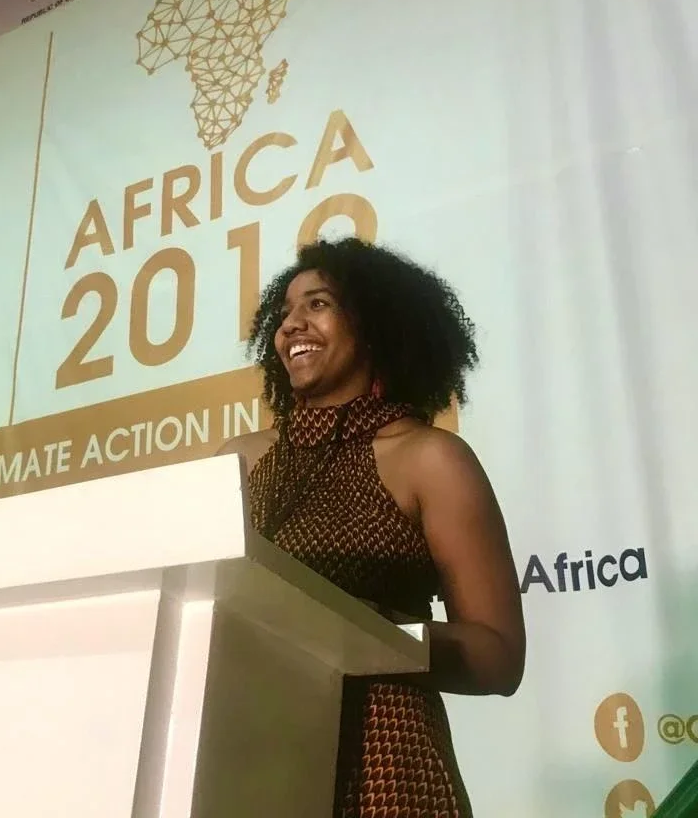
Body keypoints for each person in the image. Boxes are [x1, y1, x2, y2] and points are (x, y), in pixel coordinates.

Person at [216, 236, 525, 818]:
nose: (290, 326)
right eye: (284, 313)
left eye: (317, 304)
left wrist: (362, 629)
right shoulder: (237, 460)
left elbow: (498, 656)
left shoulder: (429, 458)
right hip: (246, 760)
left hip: (384, 769)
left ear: (377, 323)